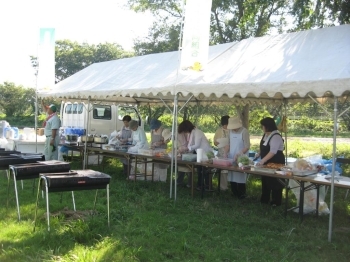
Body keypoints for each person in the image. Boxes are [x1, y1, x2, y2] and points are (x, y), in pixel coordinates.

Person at [256, 117, 285, 206]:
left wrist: (262, 161)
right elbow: (264, 146)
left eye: (263, 126)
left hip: (276, 160)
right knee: (265, 179)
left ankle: (276, 201)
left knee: (275, 181)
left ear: (267, 126)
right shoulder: (266, 134)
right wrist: (259, 153)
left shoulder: (275, 136)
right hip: (266, 160)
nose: (262, 128)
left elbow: (273, 151)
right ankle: (265, 199)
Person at [178, 120, 212, 191]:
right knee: (200, 169)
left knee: (206, 170)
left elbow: (197, 144)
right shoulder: (191, 133)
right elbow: (191, 144)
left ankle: (208, 186)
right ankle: (200, 185)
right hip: (199, 153)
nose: (185, 132)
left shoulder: (197, 132)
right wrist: (186, 149)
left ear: (187, 128)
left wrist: (187, 148)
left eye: (184, 131)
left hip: (205, 152)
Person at [225, 116, 250, 199]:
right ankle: (234, 192)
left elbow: (247, 146)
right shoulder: (230, 132)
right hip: (232, 155)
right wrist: (225, 153)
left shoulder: (244, 131)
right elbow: (228, 144)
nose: (233, 129)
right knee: (232, 174)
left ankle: (242, 193)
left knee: (240, 175)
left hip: (242, 156)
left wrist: (239, 154)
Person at [214, 115, 230, 191]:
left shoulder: (232, 130)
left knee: (229, 169)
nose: (226, 126)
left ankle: (230, 184)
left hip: (230, 152)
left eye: (227, 125)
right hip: (221, 152)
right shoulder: (218, 131)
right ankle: (223, 187)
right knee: (223, 170)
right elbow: (215, 142)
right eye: (224, 125)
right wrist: (218, 143)